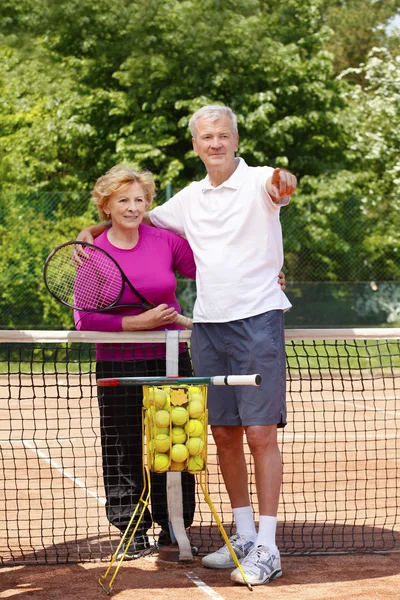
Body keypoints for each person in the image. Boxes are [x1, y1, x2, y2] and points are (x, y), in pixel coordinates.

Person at [77, 104, 296, 586]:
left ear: (235, 139)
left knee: (261, 435)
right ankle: (241, 534)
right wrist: (91, 233)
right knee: (222, 435)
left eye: (223, 135)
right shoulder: (188, 200)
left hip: (257, 320)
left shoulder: (260, 181)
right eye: (206, 137)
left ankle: (268, 545)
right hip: (209, 328)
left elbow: (282, 185)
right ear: (195, 146)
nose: (215, 143)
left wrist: (284, 183)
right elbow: (132, 219)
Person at [74, 164, 197, 559]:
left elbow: (211, 272)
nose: (132, 207)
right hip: (116, 362)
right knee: (122, 446)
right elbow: (84, 318)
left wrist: (264, 275)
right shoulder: (90, 251)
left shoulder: (166, 241)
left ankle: (174, 525)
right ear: (105, 205)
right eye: (123, 200)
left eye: (139, 199)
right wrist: (136, 323)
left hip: (171, 358)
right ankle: (131, 528)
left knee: (176, 443)